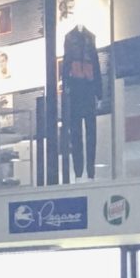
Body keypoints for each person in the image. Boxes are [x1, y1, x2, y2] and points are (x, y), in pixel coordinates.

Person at [58, 25, 102, 181]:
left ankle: (90, 171)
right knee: (76, 133)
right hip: (76, 91)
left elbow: (96, 65)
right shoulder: (69, 37)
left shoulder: (91, 37)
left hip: (88, 90)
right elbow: (66, 64)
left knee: (91, 133)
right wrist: (66, 90)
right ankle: (78, 171)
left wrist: (99, 93)